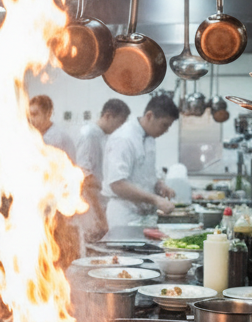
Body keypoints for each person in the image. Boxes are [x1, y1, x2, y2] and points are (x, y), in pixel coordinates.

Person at [102, 94, 181, 230]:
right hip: (124, 215)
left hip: (144, 215)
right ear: (149, 116)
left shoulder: (149, 138)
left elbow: (145, 173)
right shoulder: (124, 138)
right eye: (164, 125)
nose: (166, 130)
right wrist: (155, 199)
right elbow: (117, 184)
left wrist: (159, 185)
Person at [74, 99, 131, 241]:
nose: (120, 127)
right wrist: (100, 213)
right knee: (93, 248)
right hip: (90, 206)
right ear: (108, 116)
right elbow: (84, 176)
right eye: (120, 122)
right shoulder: (89, 134)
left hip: (100, 203)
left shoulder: (102, 135)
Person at [27, 94, 76, 160]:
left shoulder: (56, 137)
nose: (31, 119)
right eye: (30, 115)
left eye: (35, 114)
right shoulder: (36, 135)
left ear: (48, 114)